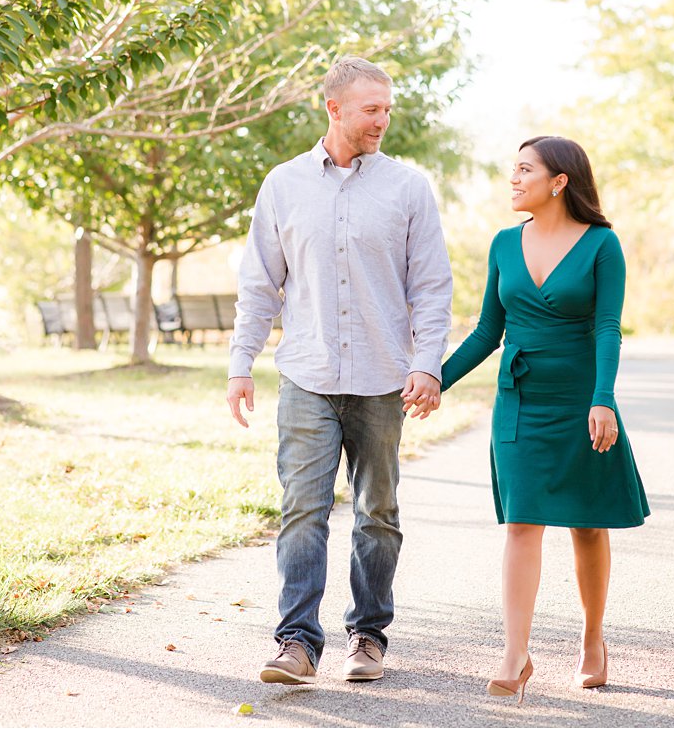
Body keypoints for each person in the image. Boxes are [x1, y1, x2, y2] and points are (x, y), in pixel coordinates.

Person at [226, 56, 453, 685]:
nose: (383, 119)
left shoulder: (407, 188)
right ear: (334, 109)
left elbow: (432, 286)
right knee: (302, 509)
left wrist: (426, 364)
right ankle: (296, 643)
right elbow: (260, 283)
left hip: (384, 378)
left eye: (387, 107)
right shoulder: (284, 184)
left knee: (378, 512)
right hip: (307, 375)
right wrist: (240, 362)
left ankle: (368, 635)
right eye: (370, 109)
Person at [441, 135, 649, 703]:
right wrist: (437, 380)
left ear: (559, 181)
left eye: (524, 170)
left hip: (581, 401)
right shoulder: (504, 244)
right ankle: (516, 652)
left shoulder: (602, 245)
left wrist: (602, 398)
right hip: (520, 401)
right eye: (513, 169)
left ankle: (592, 638)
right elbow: (488, 331)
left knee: (587, 521)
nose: (513, 179)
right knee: (522, 521)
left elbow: (609, 326)